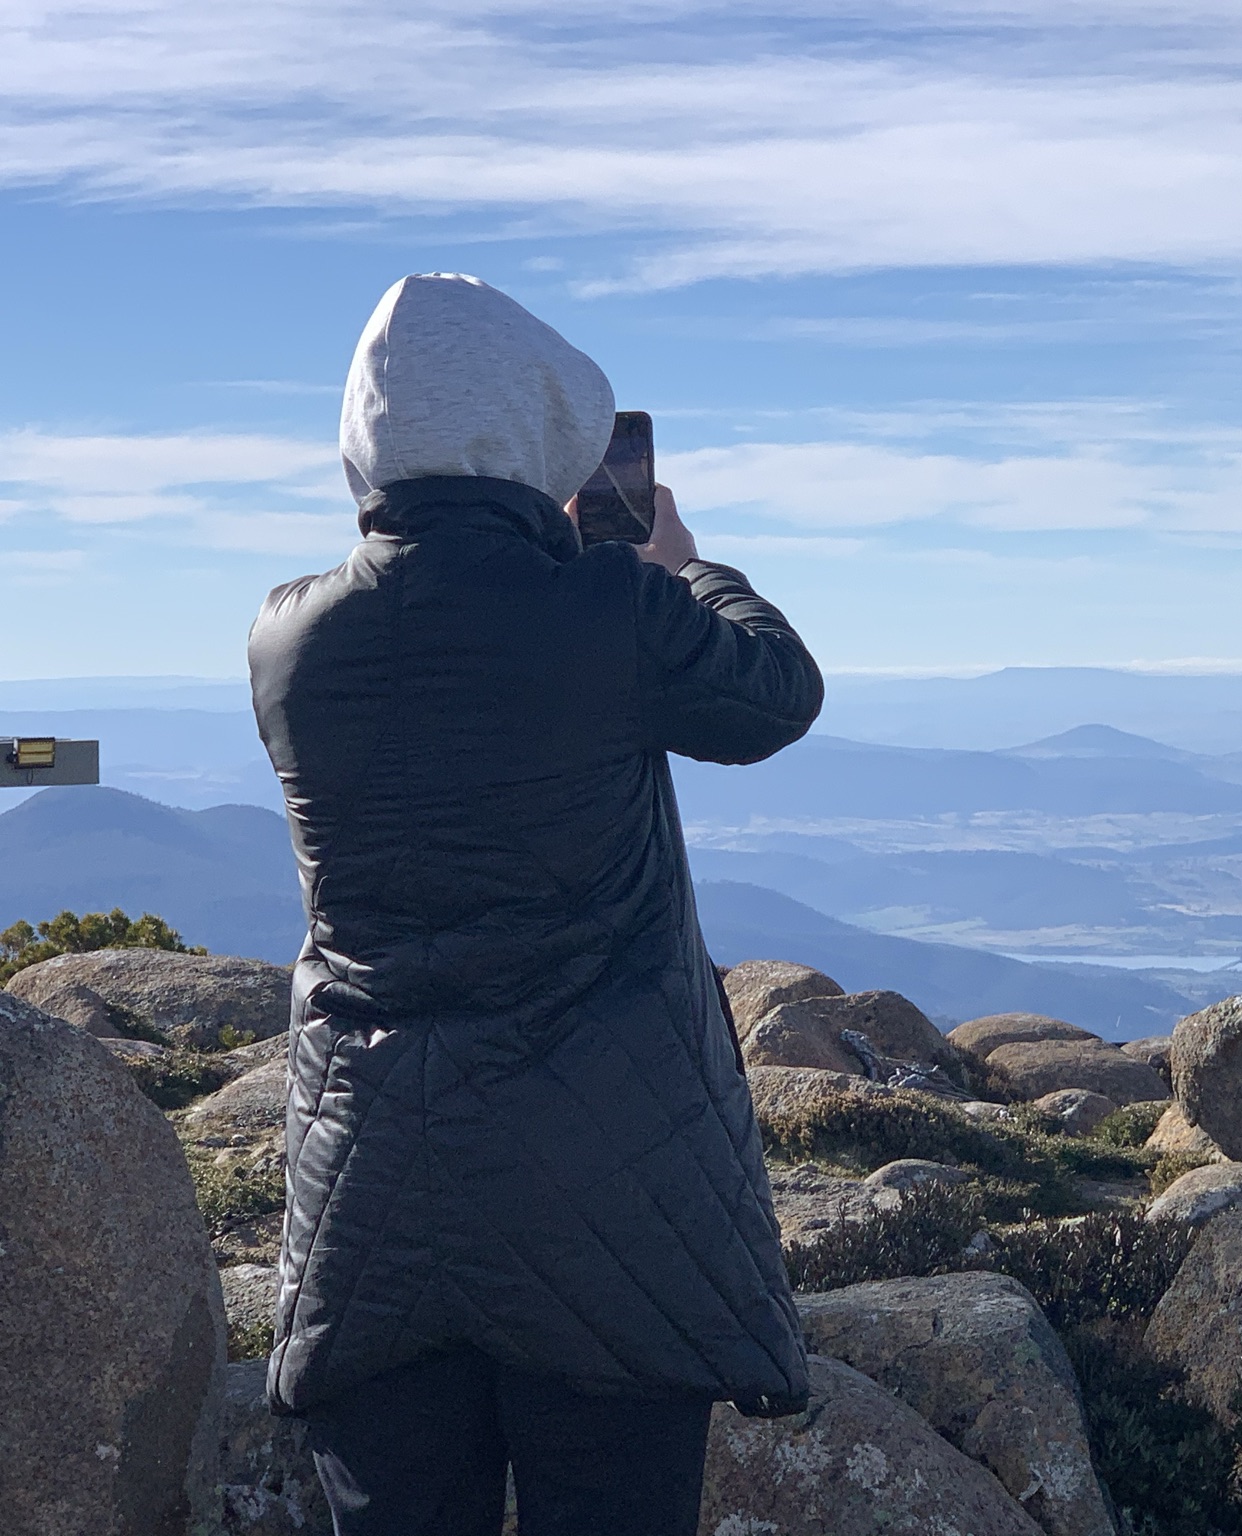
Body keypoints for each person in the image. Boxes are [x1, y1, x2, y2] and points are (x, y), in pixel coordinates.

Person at [247, 273, 822, 1536]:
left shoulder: (288, 636)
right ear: (540, 432)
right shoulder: (613, 607)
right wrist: (686, 568)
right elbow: (778, 694)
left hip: (372, 1198)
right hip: (603, 1200)